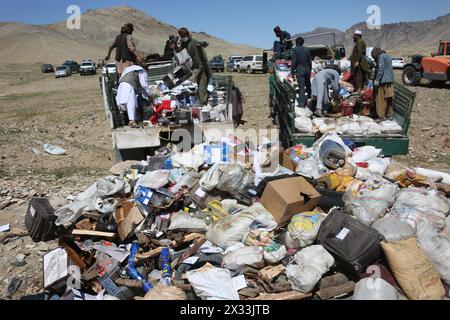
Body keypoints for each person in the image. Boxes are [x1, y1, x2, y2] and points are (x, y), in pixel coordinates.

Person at [178, 27, 211, 106]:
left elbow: (205, 44)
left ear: (187, 34)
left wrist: (203, 43)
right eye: (181, 36)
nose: (183, 37)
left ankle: (203, 104)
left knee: (202, 87)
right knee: (192, 86)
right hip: (193, 67)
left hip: (202, 67)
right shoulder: (183, 43)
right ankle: (199, 101)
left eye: (184, 35)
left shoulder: (194, 41)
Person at [371, 47, 395, 122]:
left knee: (380, 99)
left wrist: (377, 80)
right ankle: (390, 114)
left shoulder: (381, 57)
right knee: (389, 99)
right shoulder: (388, 56)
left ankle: (381, 116)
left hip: (383, 81)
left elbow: (381, 68)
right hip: (390, 81)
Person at [291, 37, 312, 107]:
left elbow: (294, 61)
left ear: (296, 43)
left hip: (300, 70)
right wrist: (310, 70)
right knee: (308, 85)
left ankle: (302, 103)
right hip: (307, 69)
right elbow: (310, 61)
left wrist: (292, 71)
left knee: (301, 87)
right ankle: (310, 99)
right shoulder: (307, 49)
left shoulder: (295, 50)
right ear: (302, 43)